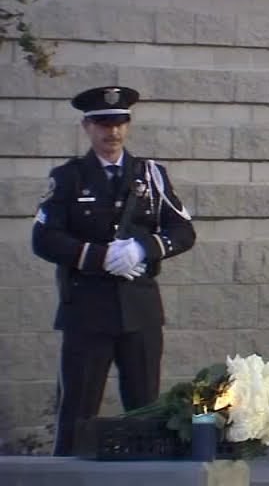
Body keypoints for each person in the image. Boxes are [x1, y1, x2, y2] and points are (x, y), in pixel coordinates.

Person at [32, 86, 196, 456]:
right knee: (78, 411)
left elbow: (183, 231)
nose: (113, 133)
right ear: (87, 127)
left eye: (120, 123)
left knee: (146, 411)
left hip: (140, 310)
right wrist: (98, 256)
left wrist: (144, 247)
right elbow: (44, 239)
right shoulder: (69, 178)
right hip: (87, 311)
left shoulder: (151, 176)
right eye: (103, 124)